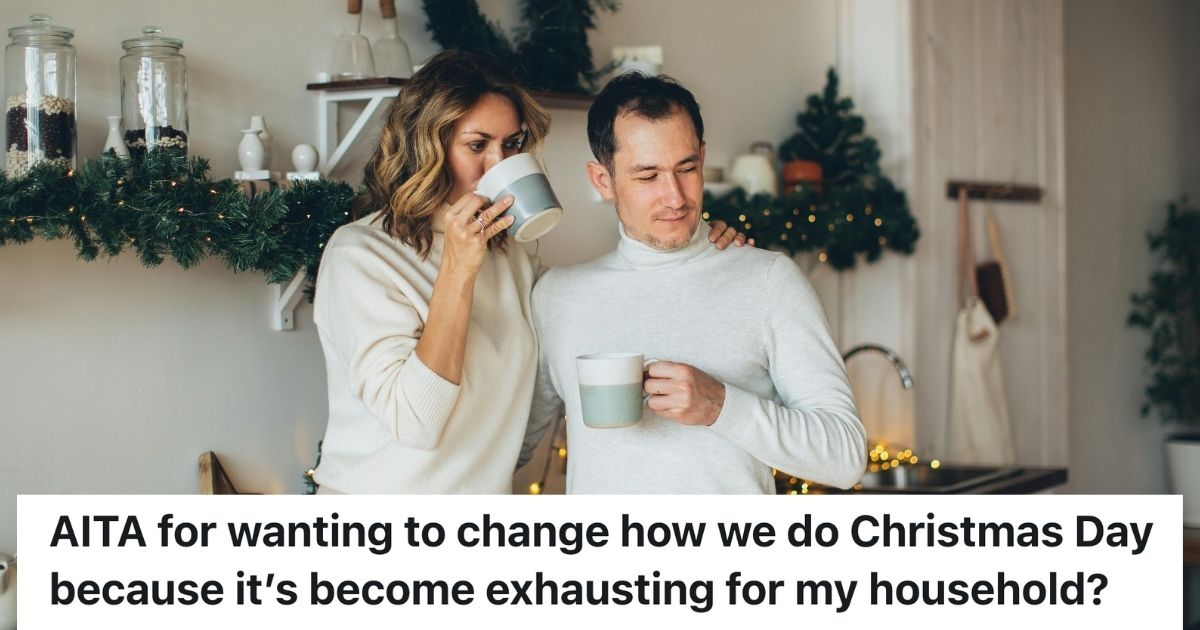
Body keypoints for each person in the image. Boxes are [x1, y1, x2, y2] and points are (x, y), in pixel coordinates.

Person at [310, 51, 747, 494]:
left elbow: (585, 316)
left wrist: (703, 248)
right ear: (428, 148)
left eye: (513, 145)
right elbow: (417, 423)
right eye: (477, 146)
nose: (499, 166)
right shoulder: (362, 255)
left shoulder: (510, 258)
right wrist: (457, 272)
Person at [524, 73, 867, 494]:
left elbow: (846, 458)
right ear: (602, 180)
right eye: (647, 176)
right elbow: (507, 447)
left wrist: (721, 405)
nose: (675, 197)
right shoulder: (557, 296)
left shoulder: (768, 281)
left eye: (686, 168)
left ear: (702, 157)